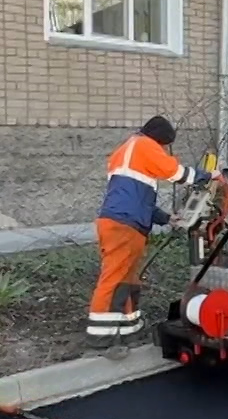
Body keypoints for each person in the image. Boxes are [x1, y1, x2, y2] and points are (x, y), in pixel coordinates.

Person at [90, 115, 216, 349]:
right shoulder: (145, 145)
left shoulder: (127, 150)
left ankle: (129, 331)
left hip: (123, 222)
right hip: (124, 224)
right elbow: (177, 173)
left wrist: (167, 218)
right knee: (114, 278)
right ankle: (101, 338)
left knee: (127, 279)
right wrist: (209, 175)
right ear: (160, 140)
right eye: (165, 146)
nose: (164, 151)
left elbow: (138, 199)